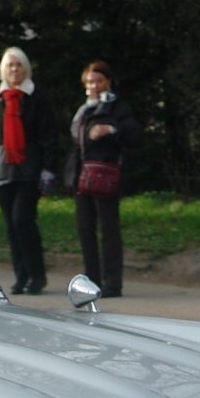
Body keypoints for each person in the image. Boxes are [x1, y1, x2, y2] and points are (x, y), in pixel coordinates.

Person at [0, 47, 56, 295]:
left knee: (23, 220)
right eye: (10, 65)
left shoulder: (36, 98)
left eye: (18, 65)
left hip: (29, 170)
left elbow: (48, 136)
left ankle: (37, 275)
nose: (14, 70)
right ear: (4, 69)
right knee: (11, 227)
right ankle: (20, 277)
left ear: (26, 68)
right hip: (1, 170)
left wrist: (48, 169)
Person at [66, 61, 141, 298]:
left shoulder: (117, 107)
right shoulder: (84, 110)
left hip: (105, 175)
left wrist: (110, 129)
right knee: (85, 229)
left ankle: (112, 282)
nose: (94, 86)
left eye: (98, 81)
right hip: (82, 176)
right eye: (89, 82)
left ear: (107, 81)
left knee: (109, 229)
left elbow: (134, 134)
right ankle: (92, 279)